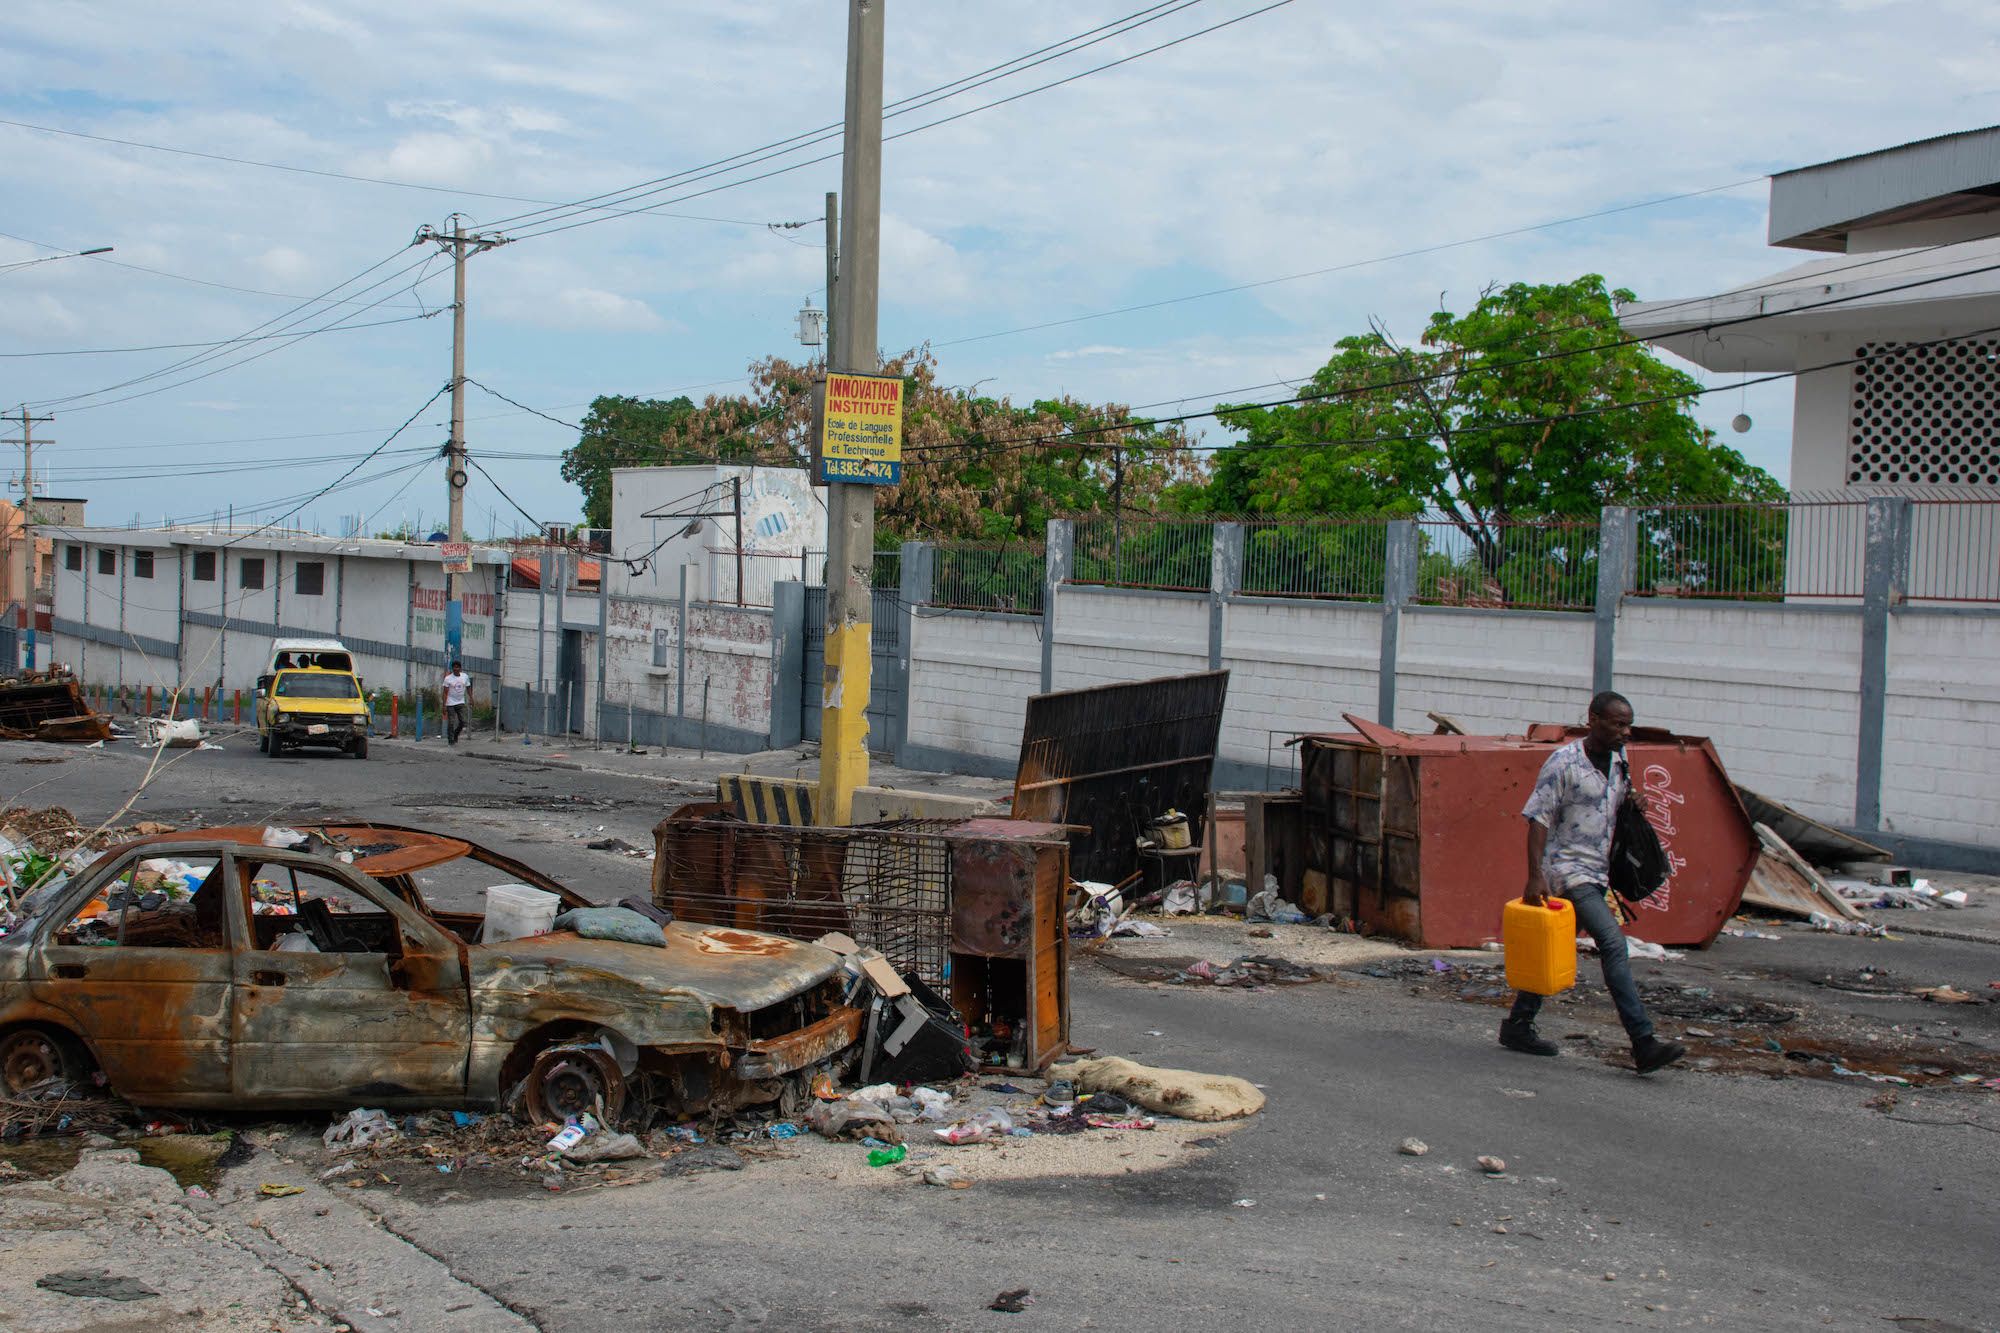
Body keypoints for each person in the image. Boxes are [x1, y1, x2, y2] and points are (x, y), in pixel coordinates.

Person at [1500, 690, 1686, 1075]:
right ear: (1593, 720)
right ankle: (1643, 1042)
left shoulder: (1620, 759)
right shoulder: (1564, 762)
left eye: (1628, 725)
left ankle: (1518, 1025)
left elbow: (1612, 804)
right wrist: (1535, 875)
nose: (1625, 732)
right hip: (1567, 871)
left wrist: (1633, 802)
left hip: (1598, 870)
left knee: (1555, 946)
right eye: (1618, 724)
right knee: (1613, 944)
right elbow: (1538, 819)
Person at [442, 660, 472, 746]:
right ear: (452, 668)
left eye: (457, 667)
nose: (456, 669)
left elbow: (468, 687)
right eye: (454, 667)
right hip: (450, 703)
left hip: (460, 702)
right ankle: (450, 740)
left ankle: (456, 733)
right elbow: (445, 692)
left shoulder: (465, 676)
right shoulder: (448, 678)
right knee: (451, 722)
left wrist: (471, 698)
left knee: (463, 721)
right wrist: (444, 705)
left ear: (460, 668)